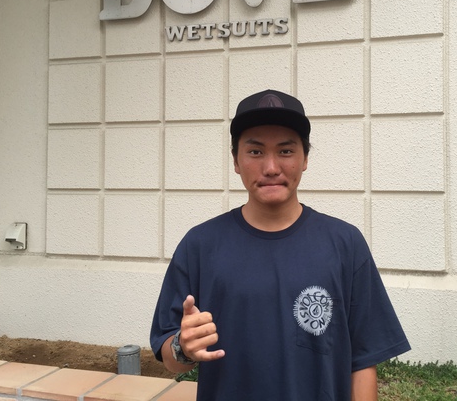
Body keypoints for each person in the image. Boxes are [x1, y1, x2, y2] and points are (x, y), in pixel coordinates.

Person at [150, 89, 410, 401]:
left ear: (305, 158)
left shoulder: (345, 243)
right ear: (235, 160)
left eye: (285, 151)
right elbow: (169, 356)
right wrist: (183, 347)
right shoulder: (200, 245)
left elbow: (364, 359)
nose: (271, 167)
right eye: (255, 151)